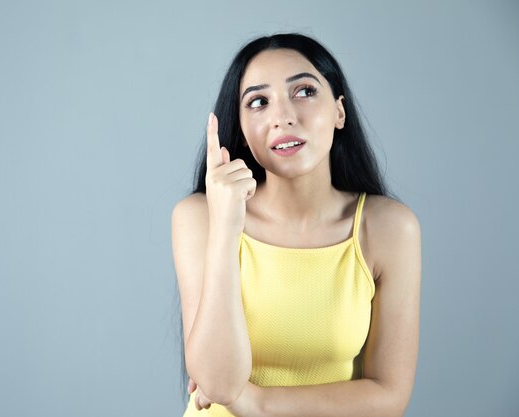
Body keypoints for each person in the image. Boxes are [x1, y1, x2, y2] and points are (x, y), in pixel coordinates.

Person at [171, 33, 421, 417]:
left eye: (303, 91)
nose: (282, 117)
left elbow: (389, 397)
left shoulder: (389, 229)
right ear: (239, 128)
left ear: (340, 111)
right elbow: (219, 384)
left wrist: (258, 404)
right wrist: (225, 227)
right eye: (258, 102)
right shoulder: (199, 218)